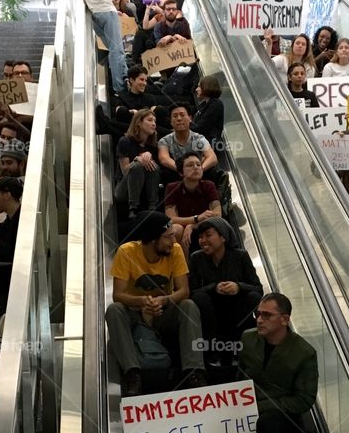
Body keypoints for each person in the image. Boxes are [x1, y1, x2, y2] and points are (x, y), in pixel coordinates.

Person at [238, 293, 318, 433]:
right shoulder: (248, 339)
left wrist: (262, 406)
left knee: (268, 422)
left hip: (284, 415)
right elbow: (241, 377)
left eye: (267, 315)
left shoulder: (304, 352)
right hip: (249, 408)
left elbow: (304, 400)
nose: (259, 320)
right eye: (258, 314)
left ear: (284, 320)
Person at [104, 212, 205, 397]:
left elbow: (184, 290)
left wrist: (162, 301)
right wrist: (142, 301)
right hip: (135, 314)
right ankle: (132, 373)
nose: (173, 240)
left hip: (163, 313)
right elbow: (118, 295)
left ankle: (194, 373)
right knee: (114, 310)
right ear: (152, 240)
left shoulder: (175, 251)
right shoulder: (126, 252)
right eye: (168, 236)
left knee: (188, 305)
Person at [189, 218, 262, 361]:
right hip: (210, 313)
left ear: (223, 236)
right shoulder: (196, 258)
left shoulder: (240, 256)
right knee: (200, 298)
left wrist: (238, 287)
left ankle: (238, 350)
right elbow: (192, 292)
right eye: (200, 237)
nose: (203, 240)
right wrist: (213, 288)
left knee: (253, 297)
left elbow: (258, 289)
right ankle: (212, 352)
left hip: (236, 311)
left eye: (208, 235)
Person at [78, 0, 128, 93]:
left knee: (113, 49)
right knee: (117, 50)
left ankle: (125, 77)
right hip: (107, 10)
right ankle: (120, 87)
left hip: (94, 14)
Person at [164, 153, 221, 249]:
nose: (196, 167)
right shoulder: (172, 188)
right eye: (190, 165)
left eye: (198, 165)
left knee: (213, 229)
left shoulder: (209, 185)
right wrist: (196, 218)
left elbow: (217, 215)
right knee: (177, 228)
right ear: (181, 172)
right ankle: (183, 263)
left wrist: (192, 225)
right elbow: (170, 219)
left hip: (203, 226)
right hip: (181, 230)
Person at [115, 108, 162, 217]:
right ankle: (133, 208)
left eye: (155, 121)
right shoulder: (125, 141)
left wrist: (149, 159)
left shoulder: (153, 145)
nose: (153, 124)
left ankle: (152, 206)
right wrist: (137, 160)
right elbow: (125, 171)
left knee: (154, 166)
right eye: (150, 120)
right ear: (139, 123)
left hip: (145, 189)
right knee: (137, 165)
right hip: (124, 190)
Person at [157, 105, 218, 181]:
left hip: (199, 175)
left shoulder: (197, 139)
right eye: (175, 116)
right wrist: (184, 171)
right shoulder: (165, 140)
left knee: (212, 172)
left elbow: (212, 157)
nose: (179, 119)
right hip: (178, 175)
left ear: (190, 118)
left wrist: (199, 170)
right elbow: (164, 159)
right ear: (171, 122)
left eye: (182, 115)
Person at [191, 75, 225, 155]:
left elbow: (201, 127)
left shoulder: (216, 104)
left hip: (209, 147)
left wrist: (186, 125)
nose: (196, 89)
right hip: (200, 145)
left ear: (206, 87)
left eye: (199, 86)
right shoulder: (203, 105)